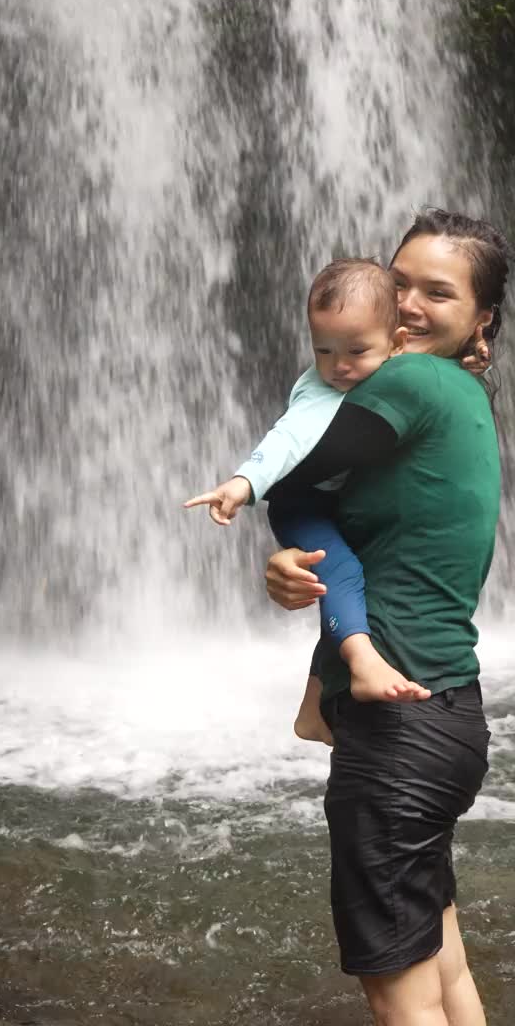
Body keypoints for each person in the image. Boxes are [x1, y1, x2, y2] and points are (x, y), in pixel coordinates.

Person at [264, 209, 514, 1026]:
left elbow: (292, 482)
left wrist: (279, 527)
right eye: (398, 282)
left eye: (436, 292)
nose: (405, 303)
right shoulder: (461, 396)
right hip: (447, 717)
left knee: (399, 996)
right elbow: (370, 543)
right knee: (445, 969)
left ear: (481, 319)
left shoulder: (405, 383)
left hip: (397, 726)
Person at [184, 257, 438, 734]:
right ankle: (362, 663)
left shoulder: (406, 374)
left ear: (397, 344)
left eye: (355, 351)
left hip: (336, 498)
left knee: (354, 579)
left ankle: (312, 710)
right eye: (323, 351)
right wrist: (243, 483)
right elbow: (288, 437)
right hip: (303, 504)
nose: (338, 366)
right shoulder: (318, 390)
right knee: (342, 570)